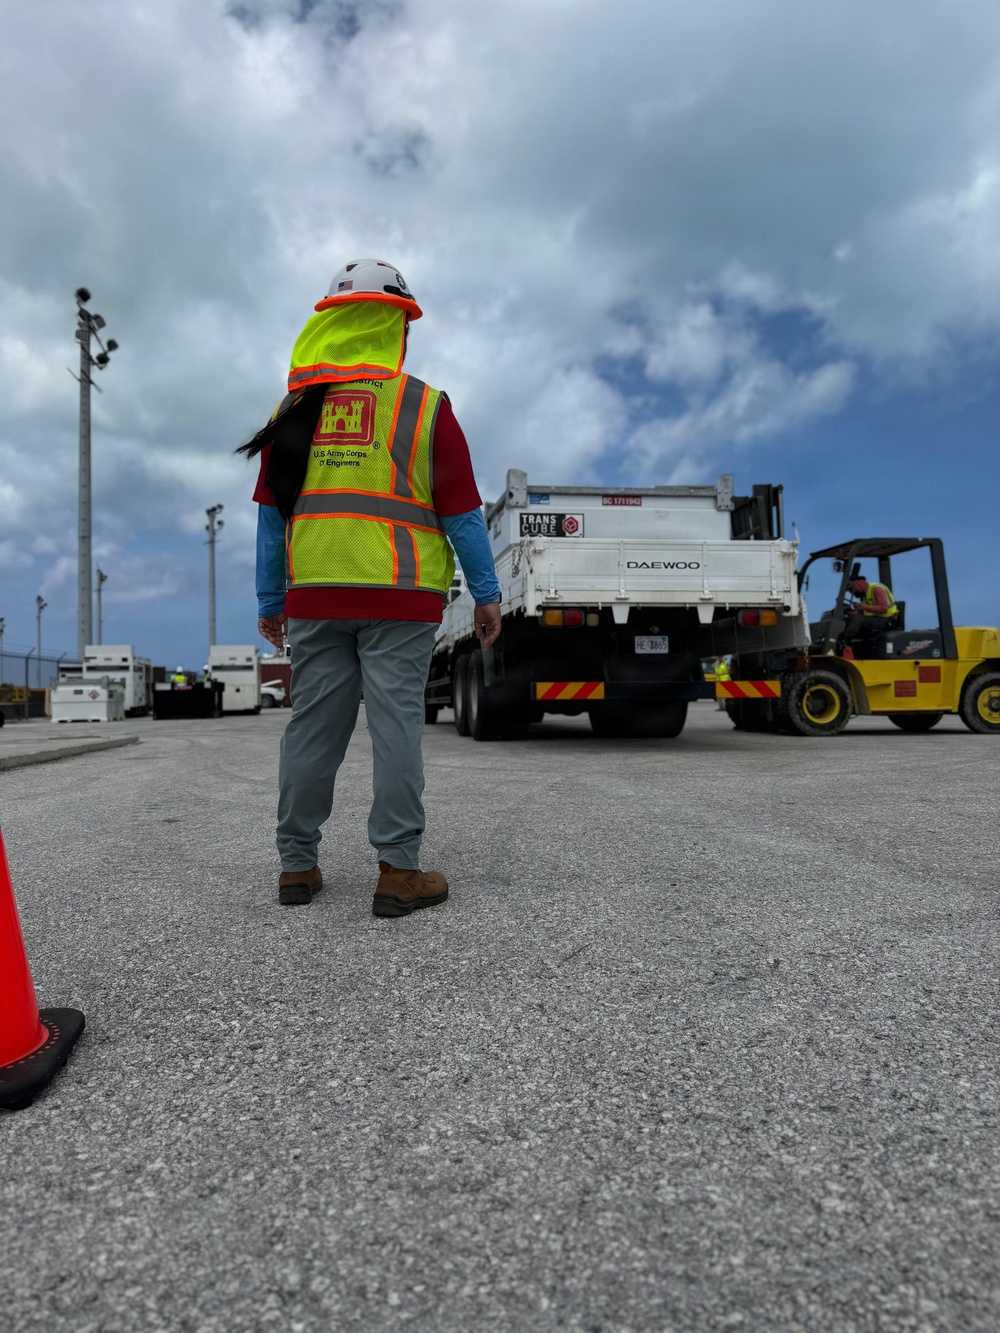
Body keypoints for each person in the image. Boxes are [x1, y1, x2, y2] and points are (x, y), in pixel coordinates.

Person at [239, 259, 501, 914]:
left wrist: (271, 600)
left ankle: (296, 867)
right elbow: (463, 516)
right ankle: (397, 872)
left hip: (317, 599)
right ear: (396, 328)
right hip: (401, 599)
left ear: (331, 324)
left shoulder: (293, 410)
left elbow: (273, 519)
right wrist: (488, 593)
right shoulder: (424, 406)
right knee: (396, 734)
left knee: (311, 732)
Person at [842, 576, 897, 649]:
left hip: (887, 620)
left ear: (858, 584)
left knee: (858, 619)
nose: (852, 593)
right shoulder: (865, 596)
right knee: (847, 621)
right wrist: (850, 613)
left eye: (851, 589)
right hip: (877, 619)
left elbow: (884, 608)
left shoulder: (876, 589)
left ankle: (844, 643)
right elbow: (866, 613)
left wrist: (864, 607)